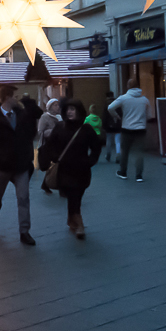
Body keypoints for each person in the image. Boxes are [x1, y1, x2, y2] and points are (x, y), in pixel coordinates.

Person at [0, 86, 38, 245]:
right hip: (2, 166)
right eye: (14, 96)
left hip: (21, 164)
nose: (17, 99)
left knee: (23, 197)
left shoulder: (22, 115)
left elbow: (31, 134)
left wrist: (27, 154)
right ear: (7, 98)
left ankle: (24, 232)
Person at [39, 100, 104, 237]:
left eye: (73, 109)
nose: (70, 112)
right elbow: (50, 145)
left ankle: (72, 220)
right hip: (65, 170)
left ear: (79, 111)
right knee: (73, 196)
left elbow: (96, 147)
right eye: (68, 109)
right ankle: (78, 223)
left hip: (82, 170)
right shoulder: (60, 127)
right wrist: (55, 157)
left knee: (76, 196)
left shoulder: (86, 129)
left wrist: (90, 161)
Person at [108, 82, 151, 182]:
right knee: (139, 153)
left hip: (126, 128)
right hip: (140, 129)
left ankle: (123, 172)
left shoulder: (124, 98)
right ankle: (139, 175)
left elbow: (110, 108)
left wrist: (117, 116)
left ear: (128, 86)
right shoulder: (145, 100)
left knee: (125, 151)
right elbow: (149, 115)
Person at [100, 89, 122, 162]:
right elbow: (120, 113)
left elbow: (104, 116)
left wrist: (103, 125)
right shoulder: (117, 103)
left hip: (108, 125)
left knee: (109, 140)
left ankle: (108, 154)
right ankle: (118, 154)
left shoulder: (106, 104)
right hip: (117, 124)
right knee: (117, 141)